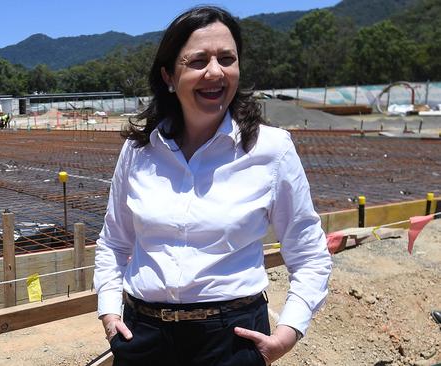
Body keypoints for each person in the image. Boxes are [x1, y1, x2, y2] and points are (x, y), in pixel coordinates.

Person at [93, 6, 333, 366]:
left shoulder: (271, 149)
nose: (215, 71)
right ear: (169, 76)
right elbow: (113, 242)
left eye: (227, 58)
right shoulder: (139, 150)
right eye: (198, 60)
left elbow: (310, 254)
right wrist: (110, 312)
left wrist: (287, 334)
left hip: (230, 339)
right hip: (143, 335)